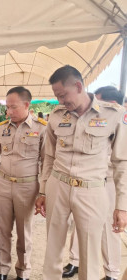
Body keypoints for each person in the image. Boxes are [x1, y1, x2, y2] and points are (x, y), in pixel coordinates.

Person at [35, 66, 127, 280]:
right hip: (58, 185)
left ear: (78, 86)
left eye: (63, 95)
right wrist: (43, 191)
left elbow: (121, 163)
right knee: (53, 247)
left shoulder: (113, 115)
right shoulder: (57, 116)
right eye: (57, 96)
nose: (61, 101)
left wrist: (122, 207)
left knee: (89, 252)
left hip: (91, 190)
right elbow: (48, 157)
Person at [0, 86, 46, 280]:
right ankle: (2, 269)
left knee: (24, 232)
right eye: (7, 108)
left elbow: (47, 162)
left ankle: (23, 271)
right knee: (2, 229)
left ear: (26, 105)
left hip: (28, 187)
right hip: (3, 185)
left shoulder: (41, 128)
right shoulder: (1, 128)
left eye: (13, 107)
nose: (9, 112)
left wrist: (43, 192)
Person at [62, 86, 124, 280]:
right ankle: (75, 261)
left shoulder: (119, 120)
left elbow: (122, 162)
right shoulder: (92, 119)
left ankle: (111, 271)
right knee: (80, 224)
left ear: (109, 103)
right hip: (85, 180)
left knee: (108, 228)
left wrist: (122, 205)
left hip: (109, 182)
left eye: (97, 101)